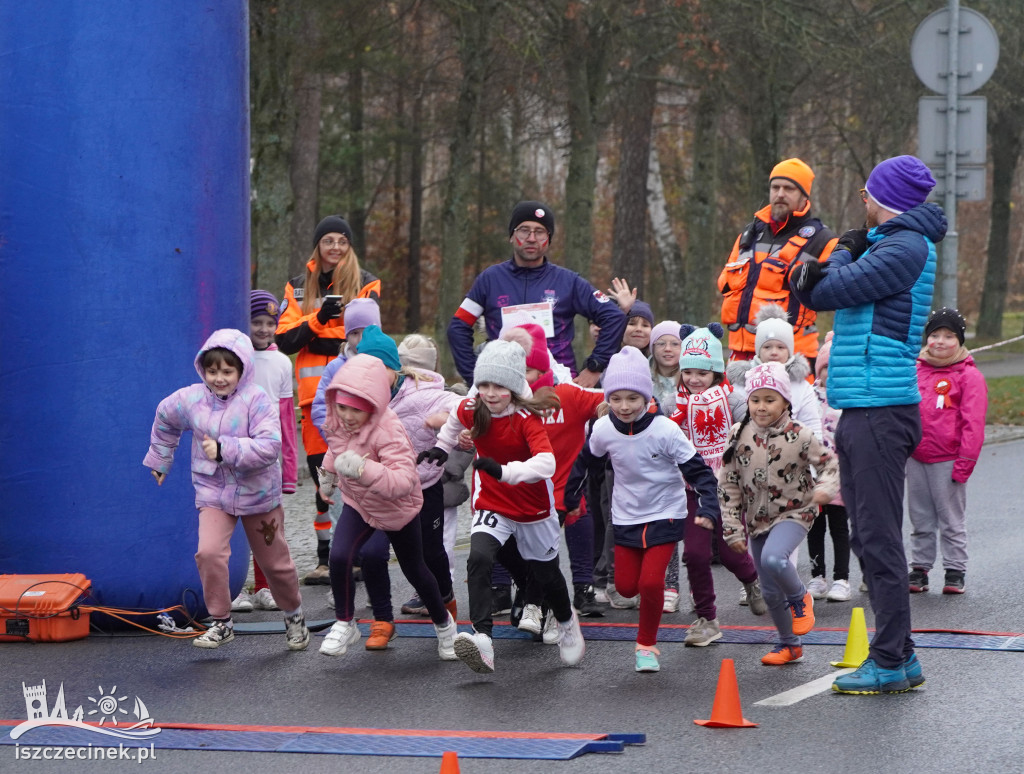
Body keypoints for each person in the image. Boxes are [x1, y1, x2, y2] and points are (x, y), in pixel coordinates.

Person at [790, 154, 946, 694]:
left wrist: (825, 267)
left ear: (889, 198)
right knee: (867, 537)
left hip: (882, 407)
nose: (863, 202)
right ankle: (900, 655)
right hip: (862, 403)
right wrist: (842, 256)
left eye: (868, 193)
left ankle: (889, 658)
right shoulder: (890, 242)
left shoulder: (906, 246)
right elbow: (823, 282)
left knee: (878, 538)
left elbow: (826, 291)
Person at [419, 340, 586, 673]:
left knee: (547, 575)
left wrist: (504, 471)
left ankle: (567, 625)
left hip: (533, 509)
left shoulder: (526, 418)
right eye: (483, 385)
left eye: (498, 386)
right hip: (493, 503)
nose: (490, 393)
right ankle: (483, 640)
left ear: (513, 387)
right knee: (479, 559)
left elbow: (547, 464)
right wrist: (441, 447)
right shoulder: (472, 406)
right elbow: (454, 419)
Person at [143, 329, 308, 651]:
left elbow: (270, 446)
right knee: (208, 553)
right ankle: (221, 622)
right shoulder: (191, 399)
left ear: (242, 370)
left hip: (258, 494)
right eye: (212, 370)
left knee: (275, 563)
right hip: (213, 491)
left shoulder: (256, 400)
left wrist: (224, 449)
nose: (219, 378)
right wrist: (161, 458)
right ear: (202, 369)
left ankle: (294, 614)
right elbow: (165, 417)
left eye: (227, 371)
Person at [565, 346, 721, 672]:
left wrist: (708, 507)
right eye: (616, 398)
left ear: (645, 397)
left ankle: (646, 646)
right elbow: (585, 465)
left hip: (666, 510)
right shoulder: (604, 429)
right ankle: (641, 611)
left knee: (651, 584)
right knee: (624, 587)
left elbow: (698, 471)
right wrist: (570, 502)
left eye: (632, 398)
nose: (624, 406)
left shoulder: (665, 430)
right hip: (626, 515)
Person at [315, 353, 457, 660]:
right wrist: (327, 476)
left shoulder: (389, 430)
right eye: (342, 407)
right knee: (339, 556)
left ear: (373, 404)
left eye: (357, 409)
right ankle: (344, 622)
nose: (348, 415)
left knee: (416, 569)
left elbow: (404, 481)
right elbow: (335, 448)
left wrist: (363, 471)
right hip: (359, 502)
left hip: (398, 508)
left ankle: (445, 627)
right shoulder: (338, 419)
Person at [276, 216, 381, 586]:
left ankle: (362, 553)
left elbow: (364, 338)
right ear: (318, 246)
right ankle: (326, 559)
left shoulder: (367, 282)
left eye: (341, 241)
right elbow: (285, 341)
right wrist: (322, 319)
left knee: (359, 475)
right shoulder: (296, 285)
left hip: (356, 397)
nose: (334, 247)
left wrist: (312, 329)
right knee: (324, 481)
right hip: (313, 402)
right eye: (327, 241)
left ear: (349, 245)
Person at [719, 362, 839, 666]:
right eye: (755, 399)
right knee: (769, 591)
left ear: (786, 401)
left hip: (796, 512)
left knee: (775, 558)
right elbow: (729, 484)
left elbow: (830, 465)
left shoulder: (800, 435)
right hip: (757, 521)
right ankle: (790, 645)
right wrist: (732, 528)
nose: (761, 407)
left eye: (770, 400)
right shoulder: (738, 434)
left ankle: (801, 598)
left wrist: (825, 488)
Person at [447, 200, 626, 388]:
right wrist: (475, 375)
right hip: (503, 387)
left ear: (548, 239)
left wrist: (595, 367)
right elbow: (458, 326)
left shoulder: (568, 281)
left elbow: (613, 317)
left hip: (558, 387)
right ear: (511, 235)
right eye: (524, 230)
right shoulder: (489, 279)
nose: (531, 238)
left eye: (539, 232)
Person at [669, 324, 767, 647]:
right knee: (695, 554)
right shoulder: (675, 404)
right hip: (692, 488)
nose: (694, 379)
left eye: (702, 372)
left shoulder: (733, 399)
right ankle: (707, 618)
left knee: (731, 552)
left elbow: (754, 426)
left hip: (727, 488)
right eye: (688, 372)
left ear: (716, 371)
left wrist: (743, 432)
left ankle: (752, 581)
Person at [718, 158, 838, 366]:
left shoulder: (824, 240)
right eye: (775, 187)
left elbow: (832, 297)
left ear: (804, 196)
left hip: (791, 357)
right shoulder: (750, 234)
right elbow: (725, 284)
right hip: (740, 354)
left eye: (789, 188)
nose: (780, 193)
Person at [907, 307, 987, 595]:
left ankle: (955, 569)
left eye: (948, 336)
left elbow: (973, 423)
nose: (940, 341)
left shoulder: (969, 376)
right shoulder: (914, 369)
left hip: (949, 458)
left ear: (960, 341)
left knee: (951, 517)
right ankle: (920, 567)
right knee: (919, 516)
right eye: (935, 335)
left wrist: (964, 462)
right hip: (916, 456)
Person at [232, 290, 299, 614]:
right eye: (256, 322)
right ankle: (233, 587)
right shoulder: (233, 358)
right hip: (233, 455)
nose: (262, 329)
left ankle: (263, 587)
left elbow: (286, 418)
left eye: (269, 323)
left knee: (267, 526)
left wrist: (288, 468)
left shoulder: (282, 362)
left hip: (266, 458)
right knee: (230, 519)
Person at [805, 332, 853, 603]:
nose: (830, 374)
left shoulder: (847, 400)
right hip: (812, 476)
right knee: (814, 527)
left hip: (839, 475)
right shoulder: (809, 397)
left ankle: (841, 578)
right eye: (825, 369)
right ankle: (817, 575)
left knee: (839, 528)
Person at [727, 303, 822, 440]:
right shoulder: (743, 381)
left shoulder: (801, 386)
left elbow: (812, 427)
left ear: (789, 351)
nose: (774, 353)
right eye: (767, 347)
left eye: (780, 347)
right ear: (758, 350)